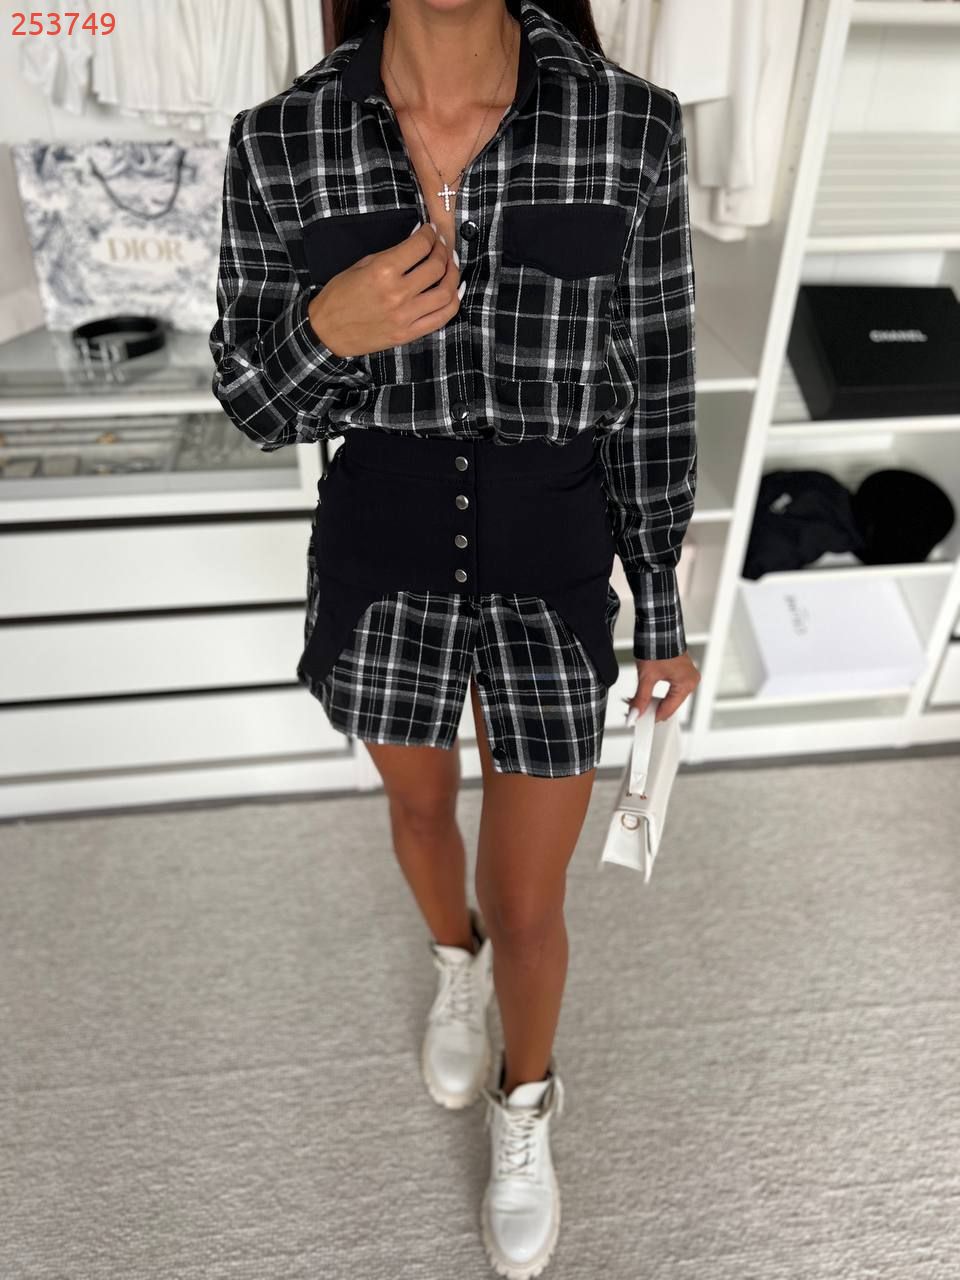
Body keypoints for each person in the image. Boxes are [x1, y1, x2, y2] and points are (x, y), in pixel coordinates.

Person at [210, 0, 699, 1274]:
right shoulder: (281, 139)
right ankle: (453, 966)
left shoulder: (629, 125)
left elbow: (656, 381)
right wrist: (327, 331)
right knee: (422, 812)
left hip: (552, 553)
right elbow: (248, 401)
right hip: (386, 549)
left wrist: (660, 599)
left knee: (530, 895)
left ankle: (524, 1099)